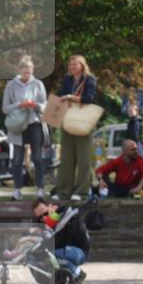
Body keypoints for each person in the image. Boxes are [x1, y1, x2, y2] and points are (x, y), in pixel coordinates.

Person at [52, 55, 98, 201]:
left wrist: (71, 97)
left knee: (84, 159)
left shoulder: (90, 80)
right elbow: (60, 94)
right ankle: (63, 192)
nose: (72, 67)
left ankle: (82, 192)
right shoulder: (67, 80)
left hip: (84, 122)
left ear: (82, 65)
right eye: (70, 65)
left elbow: (89, 98)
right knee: (66, 159)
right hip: (68, 120)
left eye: (75, 65)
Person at [2, 55, 48, 200]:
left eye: (29, 71)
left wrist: (35, 105)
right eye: (24, 70)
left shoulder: (38, 84)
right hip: (17, 126)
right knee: (17, 159)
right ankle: (17, 190)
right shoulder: (11, 85)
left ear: (32, 70)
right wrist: (20, 105)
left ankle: (40, 190)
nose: (27, 73)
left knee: (37, 158)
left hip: (34, 123)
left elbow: (45, 106)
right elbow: (5, 108)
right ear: (19, 70)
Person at [32, 198, 90, 284]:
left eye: (45, 213)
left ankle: (77, 273)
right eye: (40, 217)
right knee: (45, 255)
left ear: (53, 207)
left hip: (79, 252)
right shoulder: (52, 220)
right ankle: (66, 274)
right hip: (69, 250)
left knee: (49, 255)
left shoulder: (66, 219)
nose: (43, 218)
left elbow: (58, 241)